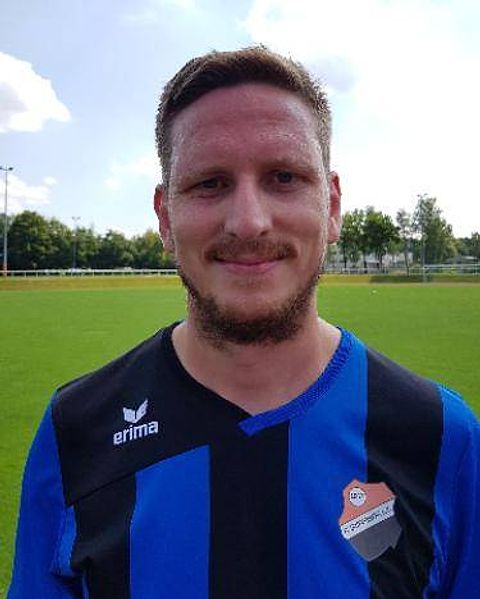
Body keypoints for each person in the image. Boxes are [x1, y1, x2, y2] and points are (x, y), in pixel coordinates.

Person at [8, 47, 480, 599]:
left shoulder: (442, 437)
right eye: (210, 183)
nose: (249, 222)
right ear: (165, 217)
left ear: (331, 206)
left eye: (284, 177)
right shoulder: (75, 433)